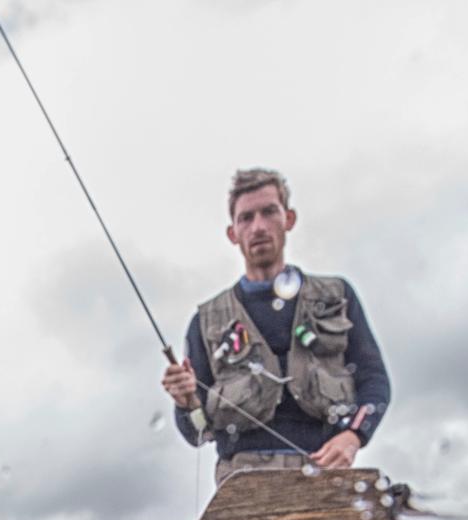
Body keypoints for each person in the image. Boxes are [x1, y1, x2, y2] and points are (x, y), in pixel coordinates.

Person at [162, 168, 391, 484]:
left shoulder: (337, 296)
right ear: (232, 233)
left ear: (289, 219)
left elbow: (374, 380)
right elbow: (198, 432)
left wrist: (352, 437)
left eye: (269, 212)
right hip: (242, 482)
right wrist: (185, 402)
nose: (258, 227)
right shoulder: (205, 321)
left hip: (324, 471)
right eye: (246, 218)